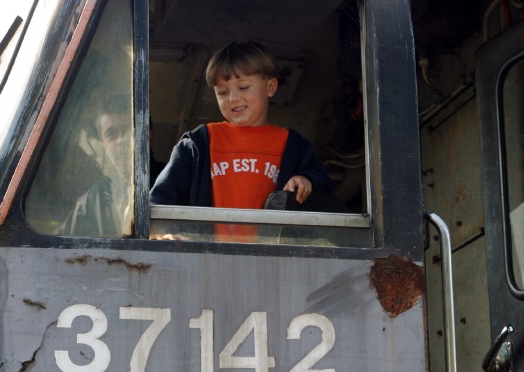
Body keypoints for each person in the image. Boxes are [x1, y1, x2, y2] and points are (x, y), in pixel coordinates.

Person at [150, 41, 333, 212]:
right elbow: (159, 200)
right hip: (208, 247)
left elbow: (325, 186)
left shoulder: (294, 145)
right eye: (222, 92)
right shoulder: (199, 142)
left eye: (244, 87)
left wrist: (307, 179)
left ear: (271, 87)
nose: (233, 99)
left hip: (271, 247)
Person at [57, 94, 134, 237]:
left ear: (149, 135)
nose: (122, 140)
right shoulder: (97, 197)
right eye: (112, 134)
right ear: (104, 145)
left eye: (130, 129)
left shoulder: (173, 183)